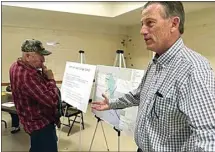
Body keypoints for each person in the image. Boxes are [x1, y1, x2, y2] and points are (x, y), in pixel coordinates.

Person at [92, 2, 215, 152]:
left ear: (174, 24)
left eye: (150, 23)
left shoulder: (193, 69)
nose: (142, 31)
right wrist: (112, 103)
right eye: (142, 24)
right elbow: (139, 94)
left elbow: (209, 137)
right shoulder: (155, 63)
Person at [9, 39, 61, 152]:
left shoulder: (15, 66)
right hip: (41, 124)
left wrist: (42, 76)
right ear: (28, 56)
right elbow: (52, 100)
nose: (43, 60)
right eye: (40, 56)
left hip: (29, 121)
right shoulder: (27, 76)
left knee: (37, 148)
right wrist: (51, 79)